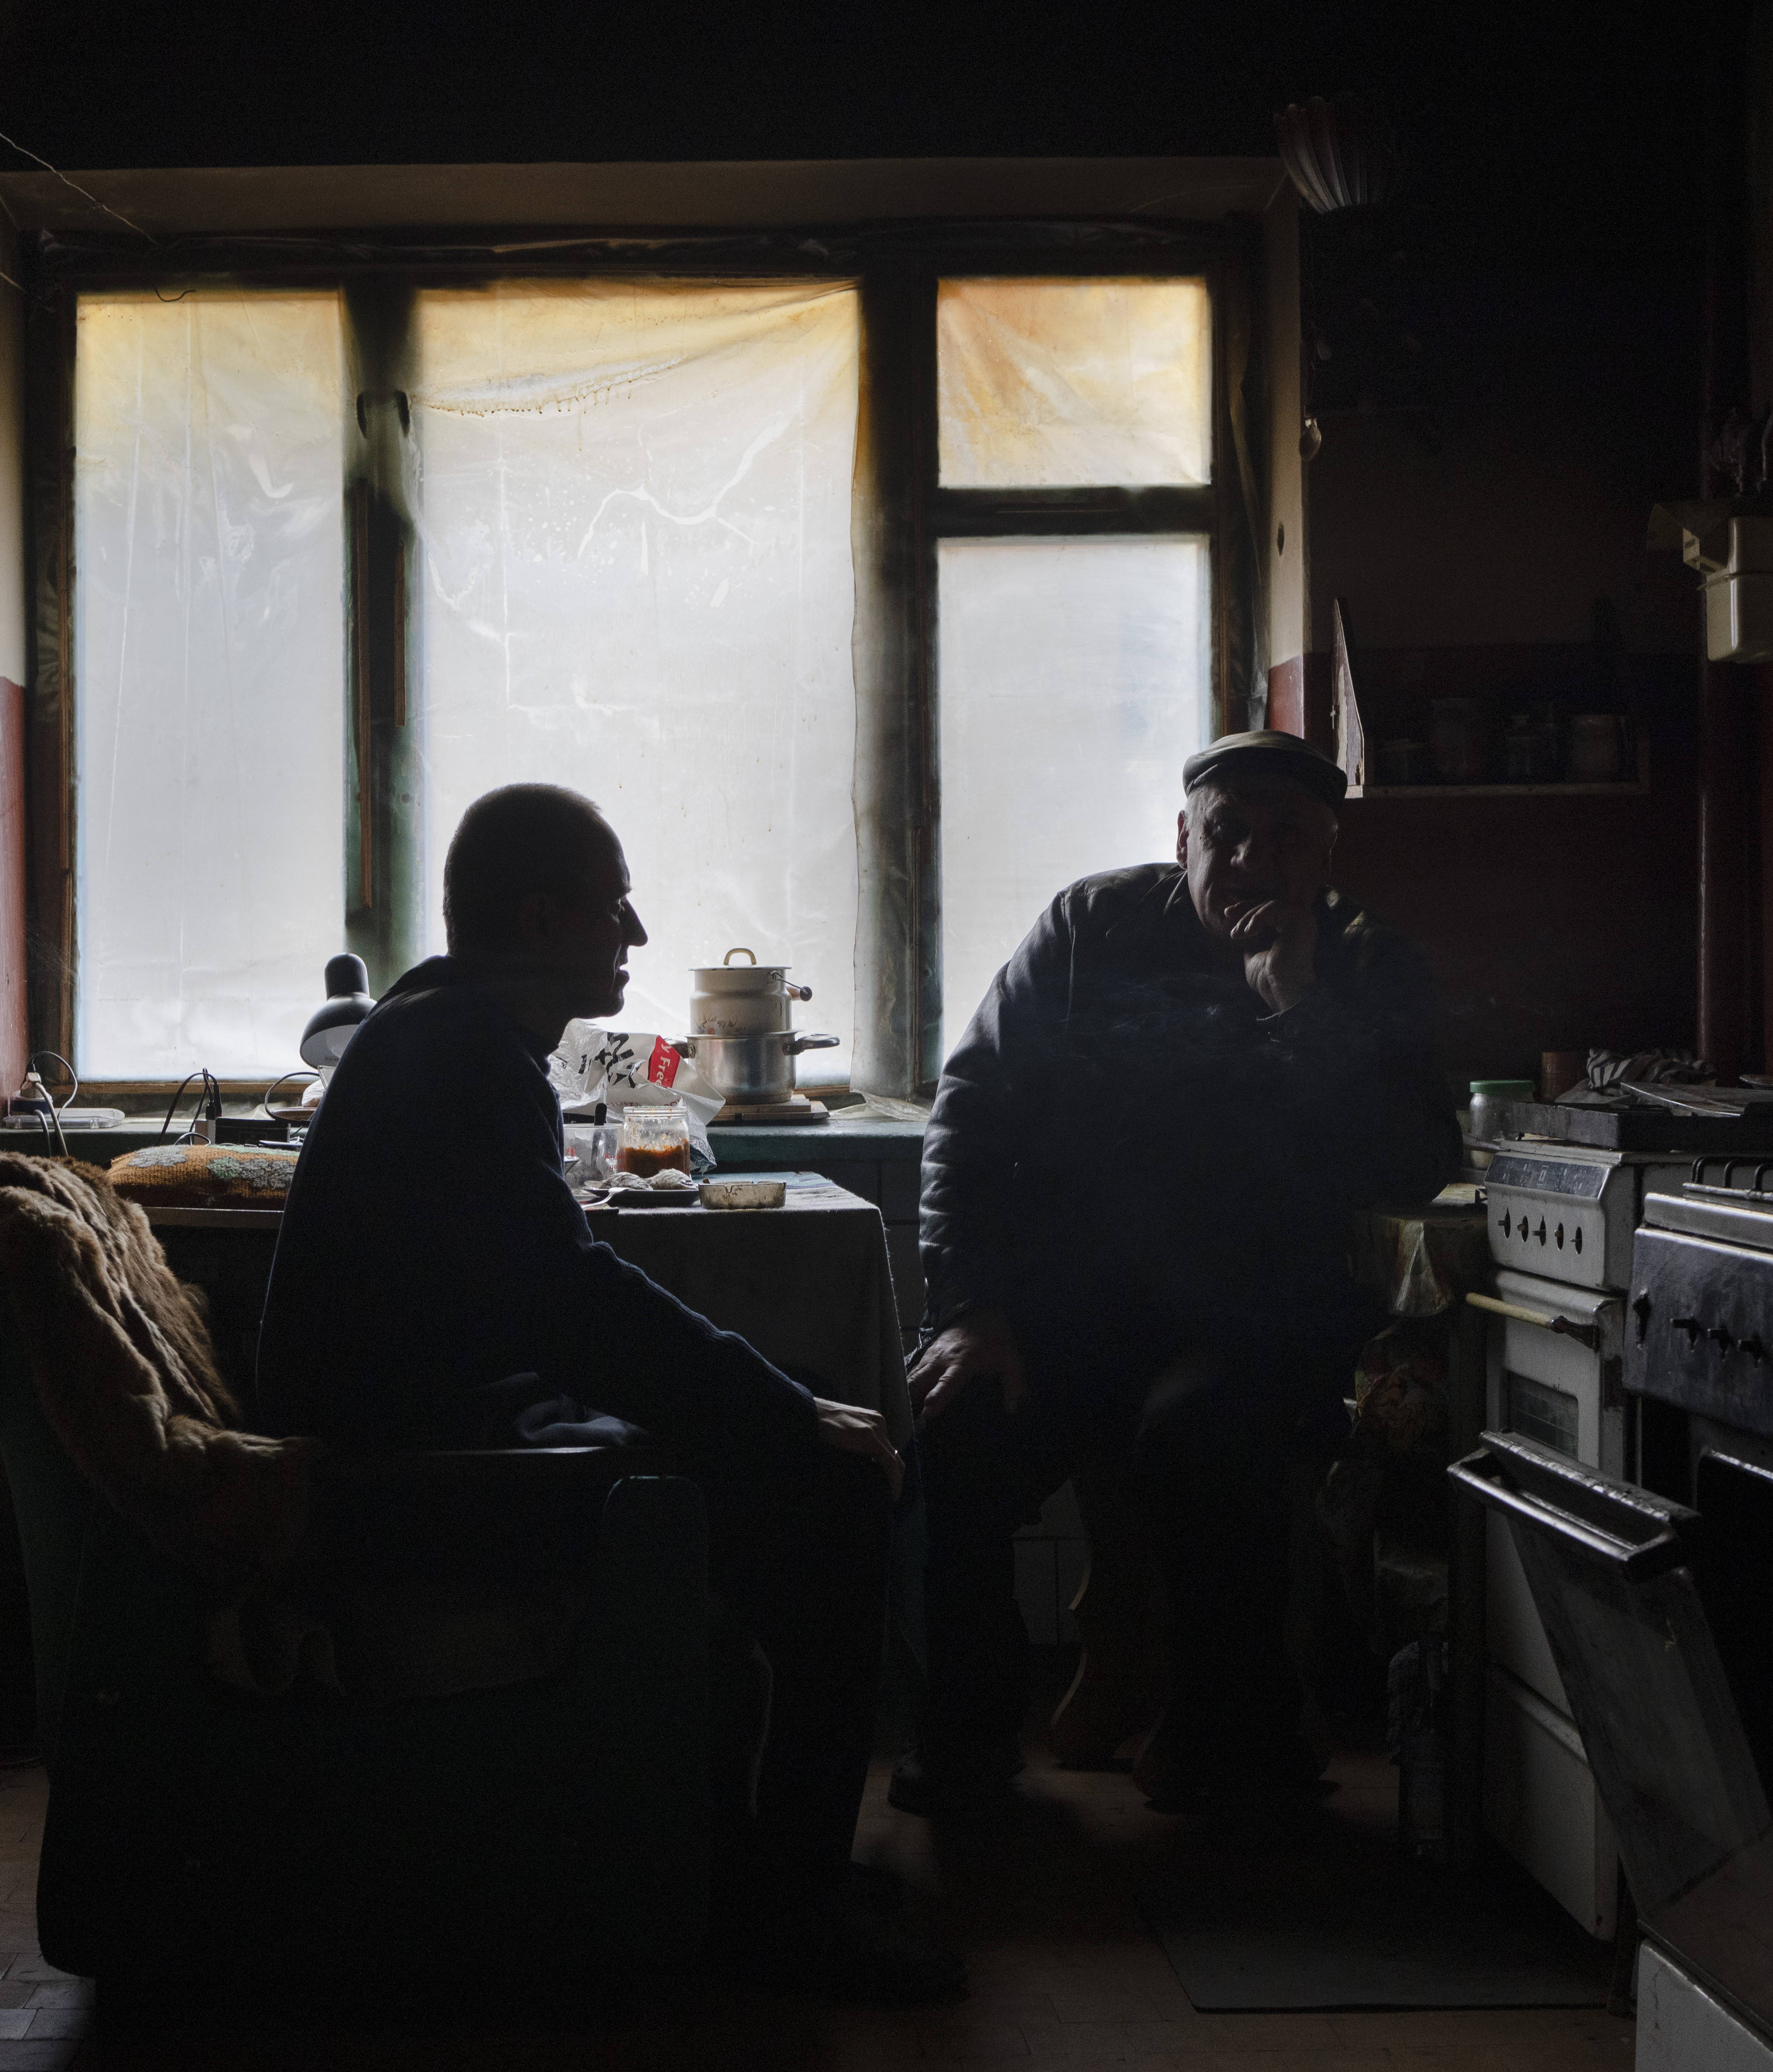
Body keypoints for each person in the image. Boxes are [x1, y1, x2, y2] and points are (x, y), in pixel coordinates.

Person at [252, 781, 963, 2004]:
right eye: (616, 903)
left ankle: (747, 1860)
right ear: (543, 919)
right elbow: (573, 1305)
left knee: (797, 1423)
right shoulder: (465, 1053)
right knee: (833, 1487)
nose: (635, 932)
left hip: (450, 1431)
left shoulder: (442, 1029)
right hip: (418, 1480)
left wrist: (778, 1403)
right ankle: (786, 1914)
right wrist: (789, 1415)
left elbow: (559, 1299)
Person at [899, 729, 1458, 1828]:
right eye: (1225, 833)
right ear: (1181, 842)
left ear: (1327, 856)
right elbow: (969, 1117)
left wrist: (1298, 1008)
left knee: (1202, 1430)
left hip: (1260, 1320)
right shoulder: (1090, 927)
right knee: (955, 1424)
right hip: (1077, 1311)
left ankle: (1231, 1739)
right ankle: (963, 1747)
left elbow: (1414, 1165)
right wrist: (968, 1308)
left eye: (1284, 837)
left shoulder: (1367, 965)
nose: (1250, 859)